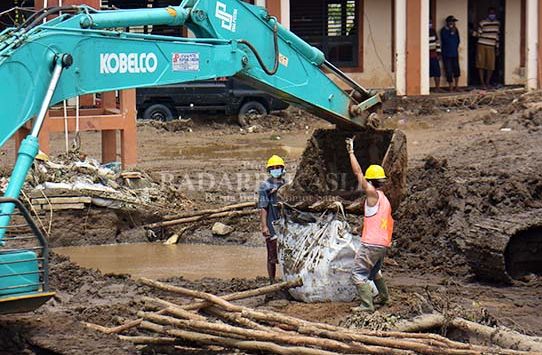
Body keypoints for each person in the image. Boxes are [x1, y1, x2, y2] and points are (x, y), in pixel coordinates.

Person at [346, 137, 394, 313]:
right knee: (374, 272)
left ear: (370, 181)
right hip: (383, 244)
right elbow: (377, 221)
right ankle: (385, 298)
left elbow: (358, 173)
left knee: (358, 274)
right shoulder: (384, 199)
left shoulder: (372, 193)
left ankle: (367, 305)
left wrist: (351, 152)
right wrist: (359, 229)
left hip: (371, 244)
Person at [258, 155, 286, 284]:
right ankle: (272, 281)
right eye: (273, 168)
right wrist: (264, 226)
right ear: (269, 170)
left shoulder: (286, 185)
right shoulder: (265, 186)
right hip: (272, 223)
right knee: (272, 256)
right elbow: (263, 207)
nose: (276, 170)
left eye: (278, 168)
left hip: (285, 224)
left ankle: (286, 280)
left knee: (286, 254)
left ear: (282, 169)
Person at [475, 8, 501, 88]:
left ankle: (487, 82)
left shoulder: (497, 23)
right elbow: (478, 34)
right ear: (487, 14)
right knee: (481, 64)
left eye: (493, 13)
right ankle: (482, 83)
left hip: (491, 46)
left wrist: (497, 48)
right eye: (490, 13)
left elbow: (497, 37)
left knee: (490, 66)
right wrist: (472, 33)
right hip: (481, 45)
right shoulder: (482, 23)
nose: (492, 15)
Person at [440, 15, 461, 92]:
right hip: (447, 54)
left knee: (456, 70)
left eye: (454, 22)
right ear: (448, 22)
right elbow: (445, 40)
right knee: (448, 70)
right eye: (452, 22)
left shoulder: (456, 30)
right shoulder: (443, 30)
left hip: (454, 53)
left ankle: (457, 86)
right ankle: (450, 87)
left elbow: (458, 40)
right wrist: (451, 32)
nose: (453, 23)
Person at [429, 19, 442, 92]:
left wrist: (439, 53)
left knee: (437, 72)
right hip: (426, 56)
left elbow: (437, 43)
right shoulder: (422, 31)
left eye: (430, 23)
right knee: (426, 72)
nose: (430, 24)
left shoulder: (433, 31)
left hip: (434, 55)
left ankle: (437, 88)